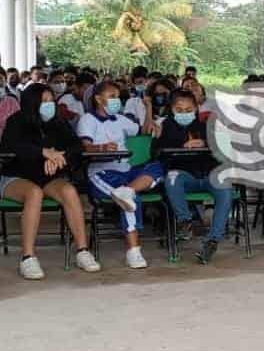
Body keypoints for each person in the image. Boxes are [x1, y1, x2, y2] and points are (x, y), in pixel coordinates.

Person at [0, 83, 98, 279]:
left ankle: (82, 251)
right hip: (17, 177)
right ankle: (28, 257)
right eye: (44, 102)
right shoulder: (16, 122)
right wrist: (42, 153)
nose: (49, 105)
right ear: (32, 103)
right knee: (34, 193)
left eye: (51, 101)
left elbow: (77, 148)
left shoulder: (59, 123)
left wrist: (59, 158)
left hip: (48, 177)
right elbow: (10, 148)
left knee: (69, 191)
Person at [79, 81, 159, 269]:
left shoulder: (120, 119)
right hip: (102, 174)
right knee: (130, 201)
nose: (117, 100)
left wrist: (148, 108)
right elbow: (86, 146)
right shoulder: (88, 120)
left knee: (158, 167)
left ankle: (128, 190)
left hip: (127, 171)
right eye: (112, 96)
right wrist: (102, 148)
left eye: (118, 96)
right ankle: (134, 251)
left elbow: (145, 130)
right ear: (98, 99)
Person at [157, 89, 232, 264]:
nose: (185, 114)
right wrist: (181, 145)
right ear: (172, 109)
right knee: (172, 177)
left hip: (208, 175)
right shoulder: (165, 126)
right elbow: (157, 153)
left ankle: (213, 240)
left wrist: (205, 142)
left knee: (225, 187)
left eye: (189, 110)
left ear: (196, 108)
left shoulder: (206, 125)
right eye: (180, 110)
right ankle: (185, 221)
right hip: (184, 177)